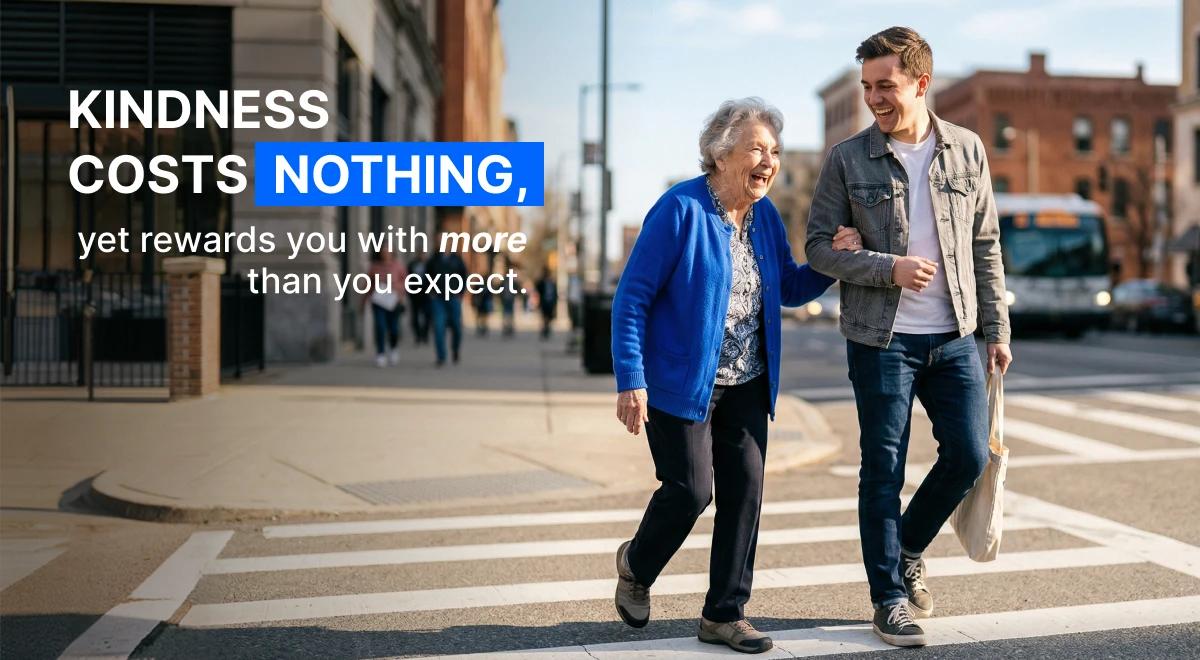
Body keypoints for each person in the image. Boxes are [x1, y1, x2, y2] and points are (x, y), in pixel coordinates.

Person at [611, 97, 861, 654]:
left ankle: (724, 614)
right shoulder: (679, 210)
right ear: (722, 154)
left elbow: (788, 288)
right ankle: (636, 562)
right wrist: (631, 377)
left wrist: (833, 262)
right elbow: (632, 299)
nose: (768, 161)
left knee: (745, 491)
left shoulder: (766, 217)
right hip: (682, 384)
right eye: (757, 148)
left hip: (748, 380)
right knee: (691, 490)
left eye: (773, 151)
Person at [804, 27, 1013, 648]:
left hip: (954, 337)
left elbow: (985, 243)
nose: (874, 98)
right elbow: (817, 249)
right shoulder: (847, 159)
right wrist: (881, 266)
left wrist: (997, 329)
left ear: (921, 84)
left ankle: (908, 548)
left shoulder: (967, 150)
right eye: (867, 87)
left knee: (971, 456)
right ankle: (889, 597)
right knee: (883, 468)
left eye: (885, 85)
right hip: (880, 337)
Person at [362, 250, 406, 367]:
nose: (386, 253)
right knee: (380, 326)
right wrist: (363, 300)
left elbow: (405, 282)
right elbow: (368, 284)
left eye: (388, 251)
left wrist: (399, 291)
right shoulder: (374, 266)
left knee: (394, 328)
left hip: (393, 301)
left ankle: (393, 348)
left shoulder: (397, 266)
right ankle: (380, 353)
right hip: (378, 301)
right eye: (383, 251)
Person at [426, 243, 468, 366]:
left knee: (456, 326)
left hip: (454, 297)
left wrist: (461, 292)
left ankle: (455, 349)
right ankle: (441, 356)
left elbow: (464, 275)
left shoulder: (457, 259)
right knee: (439, 327)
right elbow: (427, 277)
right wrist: (430, 291)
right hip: (438, 298)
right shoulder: (433, 260)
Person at [407, 254, 432, 344]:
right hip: (415, 294)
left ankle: (425, 335)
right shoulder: (412, 265)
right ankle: (417, 336)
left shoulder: (429, 264)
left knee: (427, 316)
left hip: (427, 294)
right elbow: (408, 278)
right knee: (415, 316)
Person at [535, 270, 558, 340]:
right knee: (544, 317)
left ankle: (547, 327)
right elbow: (538, 288)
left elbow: (555, 293)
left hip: (550, 302)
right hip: (544, 302)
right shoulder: (542, 282)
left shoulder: (552, 283)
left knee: (549, 317)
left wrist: (555, 302)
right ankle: (545, 329)